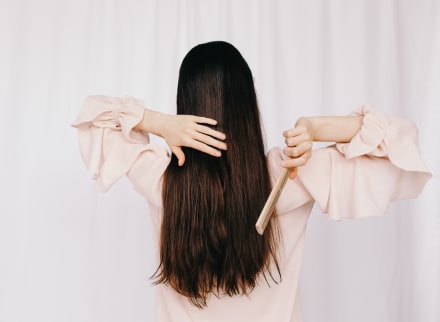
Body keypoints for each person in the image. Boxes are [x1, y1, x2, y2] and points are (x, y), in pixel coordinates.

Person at [72, 41, 431, 322]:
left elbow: (91, 116)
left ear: (185, 105)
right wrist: (318, 128)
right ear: (249, 106)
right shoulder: (288, 175)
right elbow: (402, 142)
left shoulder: (160, 178)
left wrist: (157, 122)